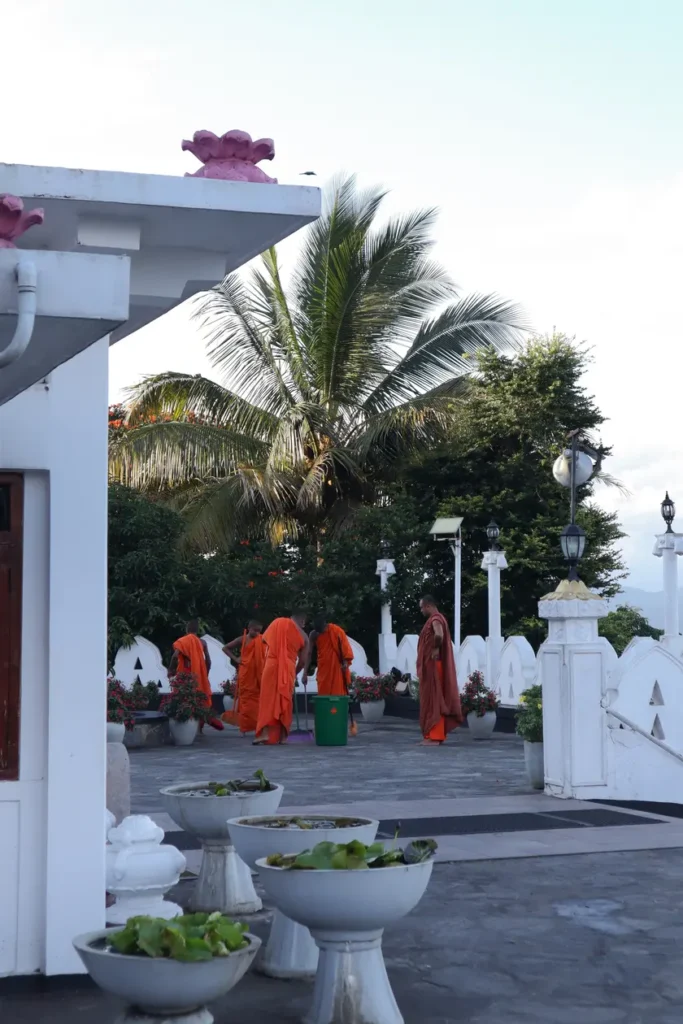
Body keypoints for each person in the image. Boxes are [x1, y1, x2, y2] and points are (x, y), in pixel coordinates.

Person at [254, 611, 308, 745]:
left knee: (267, 700)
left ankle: (265, 734)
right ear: (303, 622)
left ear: (291, 618)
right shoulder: (304, 637)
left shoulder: (277, 623)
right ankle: (283, 737)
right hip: (289, 667)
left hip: (271, 664)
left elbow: (264, 640)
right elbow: (302, 661)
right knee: (286, 700)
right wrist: (294, 672)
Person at [416, 595, 462, 745]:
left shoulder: (435, 619)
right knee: (433, 698)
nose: (421, 610)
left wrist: (435, 648)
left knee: (434, 699)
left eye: (422, 607)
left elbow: (439, 634)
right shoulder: (437, 618)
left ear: (428, 606)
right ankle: (434, 735)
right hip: (432, 666)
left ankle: (435, 737)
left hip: (434, 667)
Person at [305, 614, 358, 736]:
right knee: (324, 698)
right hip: (323, 669)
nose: (320, 632)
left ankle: (338, 724)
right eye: (317, 630)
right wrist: (305, 672)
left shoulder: (336, 631)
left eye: (321, 629)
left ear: (326, 625)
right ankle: (325, 724)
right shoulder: (314, 634)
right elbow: (309, 653)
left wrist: (345, 662)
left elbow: (344, 648)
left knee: (338, 697)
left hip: (338, 669)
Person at [168, 618, 224, 731]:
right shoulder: (202, 642)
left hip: (185, 673)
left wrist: (171, 670)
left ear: (186, 629)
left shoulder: (182, 641)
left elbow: (174, 656)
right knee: (199, 697)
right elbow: (208, 660)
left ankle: (186, 724)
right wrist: (204, 674)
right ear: (197, 630)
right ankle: (200, 727)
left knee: (184, 697)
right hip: (198, 674)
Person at [221, 620, 267, 735]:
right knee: (246, 703)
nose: (257, 633)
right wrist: (236, 659)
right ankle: (245, 728)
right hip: (246, 675)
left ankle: (259, 727)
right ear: (249, 627)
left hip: (258, 676)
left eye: (259, 631)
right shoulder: (242, 639)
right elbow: (225, 648)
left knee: (259, 702)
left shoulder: (262, 639)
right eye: (254, 630)